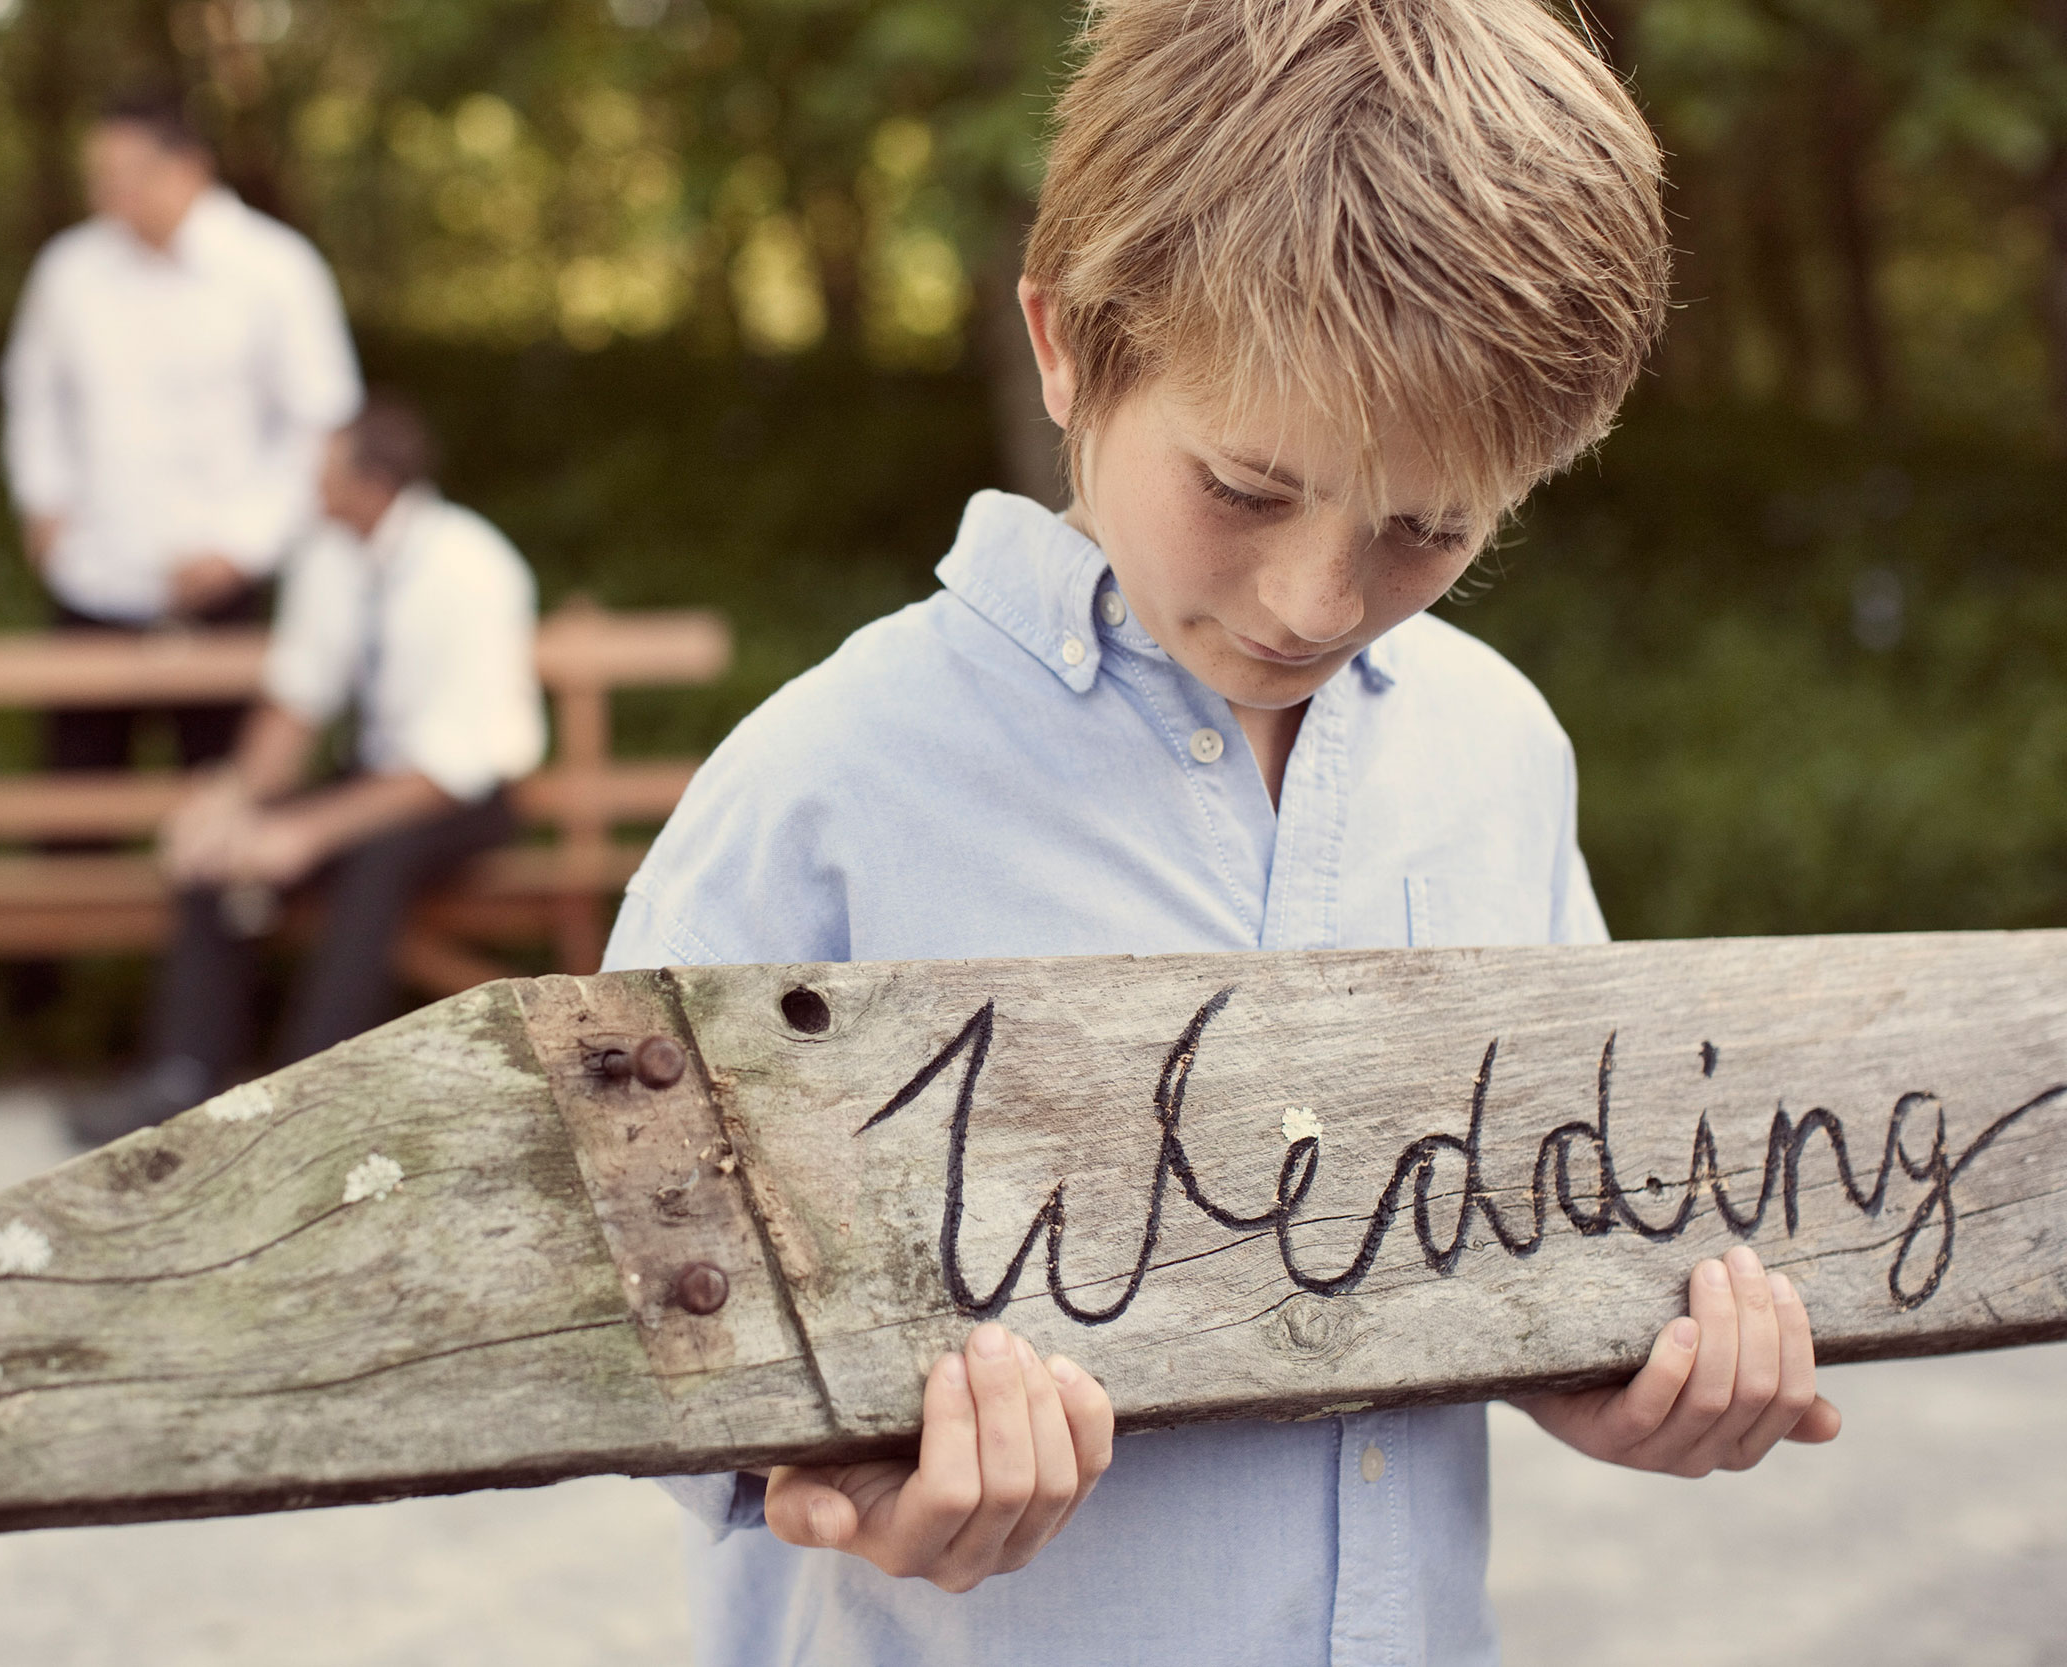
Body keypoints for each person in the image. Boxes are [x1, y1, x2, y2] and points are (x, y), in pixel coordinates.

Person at [601, 0, 1843, 1659]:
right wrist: (840, 1478)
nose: (1317, 598)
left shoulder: (1497, 754)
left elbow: (1543, 1224)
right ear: (1064, 341)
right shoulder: (820, 787)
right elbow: (629, 1327)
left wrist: (1611, 1375)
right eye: (1249, 489)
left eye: (1428, 527)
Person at [67, 396, 545, 1145]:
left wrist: (306, 832)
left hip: (469, 793)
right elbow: (297, 699)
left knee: (372, 861)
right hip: (375, 776)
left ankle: (309, 1096)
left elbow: (452, 766)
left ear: (374, 484)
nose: (309, 488)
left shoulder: (473, 568)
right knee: (215, 855)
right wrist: (229, 804)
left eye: (323, 474)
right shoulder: (328, 555)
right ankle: (183, 1078)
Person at [0, 89, 362, 776]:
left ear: (189, 169)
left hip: (222, 587)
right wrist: (42, 500)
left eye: (125, 176)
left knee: (223, 807)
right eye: (98, 179)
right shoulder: (67, 272)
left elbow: (322, 428)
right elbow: (33, 397)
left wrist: (244, 545)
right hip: (90, 577)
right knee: (74, 811)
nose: (109, 196)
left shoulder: (277, 270)